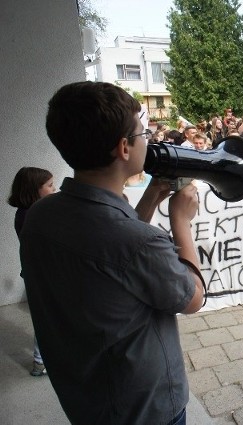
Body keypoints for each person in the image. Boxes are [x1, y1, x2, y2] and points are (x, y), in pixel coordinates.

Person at [19, 81, 205, 425]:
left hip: (85, 395)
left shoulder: (40, 215)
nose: (148, 140)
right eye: (143, 133)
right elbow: (192, 298)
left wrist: (149, 199)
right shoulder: (140, 242)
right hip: (143, 408)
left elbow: (112, 258)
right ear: (123, 147)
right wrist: (181, 221)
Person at [8, 167, 57, 377]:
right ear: (34, 190)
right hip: (44, 275)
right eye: (50, 186)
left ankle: (44, 359)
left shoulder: (28, 213)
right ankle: (40, 362)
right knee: (47, 319)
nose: (54, 189)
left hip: (37, 273)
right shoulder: (33, 216)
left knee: (47, 317)